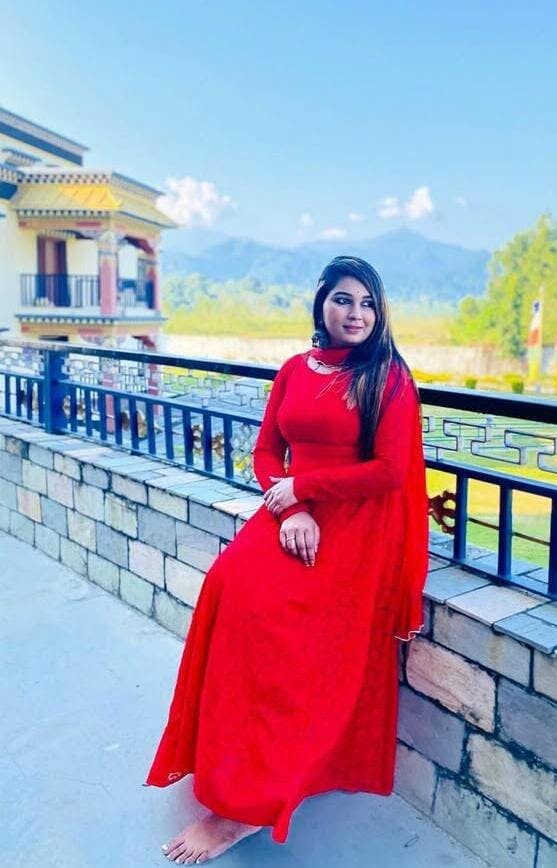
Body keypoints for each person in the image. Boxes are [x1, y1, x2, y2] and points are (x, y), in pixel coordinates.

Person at [144, 256, 429, 863]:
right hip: (291, 515)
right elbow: (266, 451)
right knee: (228, 587)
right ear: (322, 302)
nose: (356, 314)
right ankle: (228, 768)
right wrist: (292, 505)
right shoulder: (296, 369)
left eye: (368, 303)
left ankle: (245, 808)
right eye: (343, 299)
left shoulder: (387, 378)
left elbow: (388, 471)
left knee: (275, 628)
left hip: (352, 527)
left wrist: (305, 489)